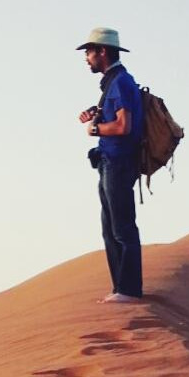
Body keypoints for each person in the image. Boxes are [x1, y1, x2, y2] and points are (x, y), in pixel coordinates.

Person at [76, 27, 144, 303]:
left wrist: (95, 129)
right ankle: (120, 289)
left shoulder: (121, 82)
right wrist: (95, 114)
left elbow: (123, 125)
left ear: (102, 51)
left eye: (89, 52)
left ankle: (128, 290)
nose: (86, 58)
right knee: (110, 228)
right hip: (109, 161)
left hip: (119, 162)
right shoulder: (112, 83)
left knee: (122, 228)